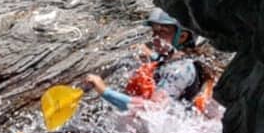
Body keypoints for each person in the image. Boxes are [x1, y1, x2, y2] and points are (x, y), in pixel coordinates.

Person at [85, 8, 219, 118]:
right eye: (154, 31)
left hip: (169, 132)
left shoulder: (180, 69)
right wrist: (152, 56)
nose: (154, 38)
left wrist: (105, 91)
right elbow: (164, 65)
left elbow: (153, 111)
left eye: (162, 32)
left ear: (182, 37)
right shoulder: (174, 61)